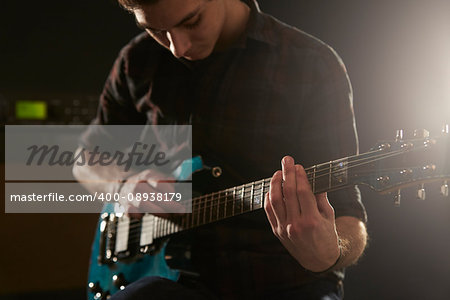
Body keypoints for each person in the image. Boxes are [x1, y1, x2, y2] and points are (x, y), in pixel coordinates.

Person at [73, 0, 368, 298]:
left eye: (191, 21)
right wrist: (123, 186)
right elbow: (86, 158)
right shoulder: (136, 61)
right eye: (156, 31)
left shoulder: (311, 64)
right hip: (169, 281)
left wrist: (330, 252)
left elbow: (348, 213)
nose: (177, 47)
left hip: (285, 283)